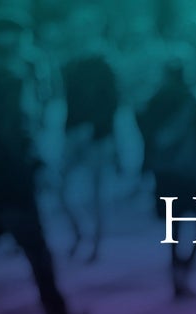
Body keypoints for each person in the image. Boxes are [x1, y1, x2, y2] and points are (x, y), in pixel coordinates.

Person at [0, 9, 79, 314]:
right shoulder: (12, 76)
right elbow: (14, 130)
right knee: (36, 248)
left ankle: (56, 310)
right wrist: (35, 163)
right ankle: (56, 312)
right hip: (9, 179)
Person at [137, 56, 196, 298]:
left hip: (164, 171)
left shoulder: (155, 99)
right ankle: (186, 265)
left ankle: (176, 271)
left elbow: (146, 135)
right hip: (192, 171)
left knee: (173, 225)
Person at [59, 8, 119, 263]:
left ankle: (96, 244)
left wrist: (93, 129)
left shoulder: (103, 62)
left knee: (97, 194)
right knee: (59, 188)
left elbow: (112, 103)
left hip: (97, 136)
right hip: (73, 134)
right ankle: (80, 233)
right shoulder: (70, 63)